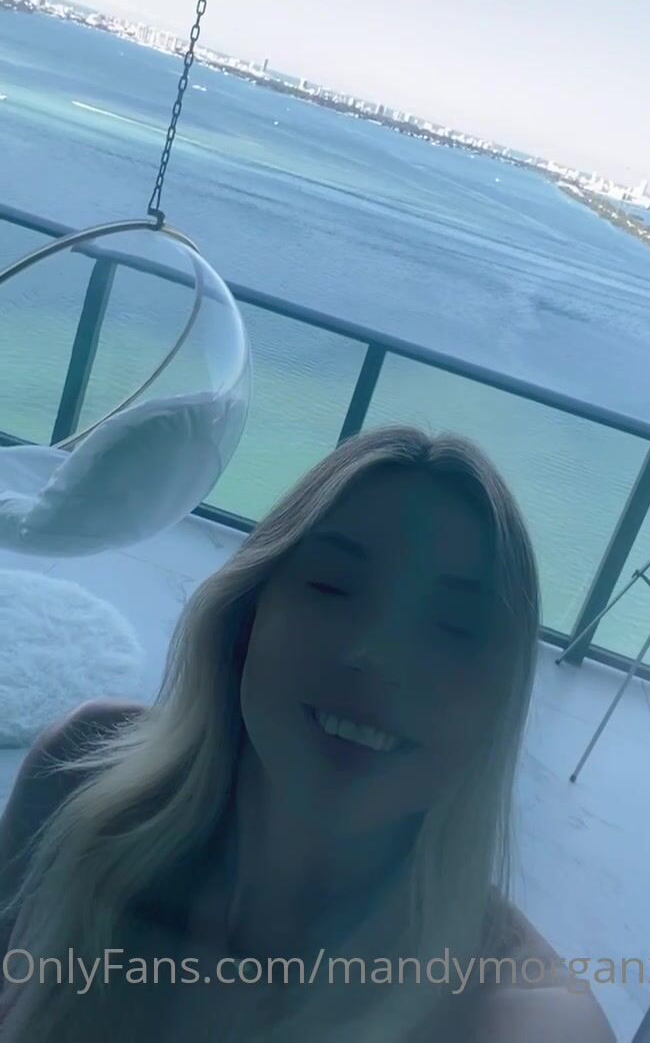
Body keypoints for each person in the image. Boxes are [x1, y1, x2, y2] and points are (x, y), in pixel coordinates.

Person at [0, 425, 615, 1042]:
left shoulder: (522, 1019)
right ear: (246, 613)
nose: (377, 655)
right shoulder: (78, 777)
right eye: (332, 586)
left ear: (499, 701)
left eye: (454, 627)